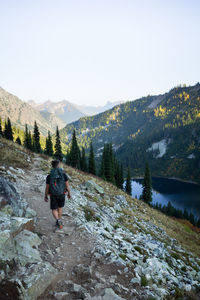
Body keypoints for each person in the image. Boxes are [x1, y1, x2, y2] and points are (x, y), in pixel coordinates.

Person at [44, 160, 71, 229]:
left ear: (52, 166)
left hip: (53, 194)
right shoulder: (64, 174)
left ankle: (58, 220)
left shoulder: (49, 176)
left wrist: (46, 195)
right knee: (60, 208)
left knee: (53, 209)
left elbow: (47, 187)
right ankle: (59, 220)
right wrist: (69, 194)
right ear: (58, 165)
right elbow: (67, 186)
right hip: (62, 193)